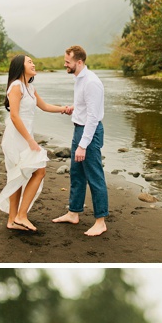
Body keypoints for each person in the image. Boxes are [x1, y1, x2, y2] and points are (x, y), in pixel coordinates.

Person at [0, 54, 70, 232]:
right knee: (39, 171)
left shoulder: (30, 87)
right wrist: (31, 140)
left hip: (25, 136)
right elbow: (14, 116)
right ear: (20, 67)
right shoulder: (16, 86)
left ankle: (12, 220)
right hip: (16, 138)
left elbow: (44, 106)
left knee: (18, 176)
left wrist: (65, 109)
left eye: (33, 61)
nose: (33, 64)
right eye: (29, 62)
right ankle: (21, 216)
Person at [52, 45, 109, 237]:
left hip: (89, 133)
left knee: (94, 176)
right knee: (76, 174)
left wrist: (83, 145)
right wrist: (73, 108)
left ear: (79, 62)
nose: (65, 64)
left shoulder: (91, 82)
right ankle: (73, 213)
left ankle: (100, 221)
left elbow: (93, 117)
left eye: (68, 61)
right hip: (79, 129)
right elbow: (85, 107)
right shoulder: (79, 79)